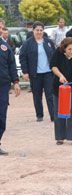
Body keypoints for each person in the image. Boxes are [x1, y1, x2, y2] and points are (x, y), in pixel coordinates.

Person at [20, 21, 55, 122]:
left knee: (50, 95)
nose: (39, 32)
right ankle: (39, 115)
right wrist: (25, 72)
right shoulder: (27, 43)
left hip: (48, 73)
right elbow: (23, 58)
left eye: (41, 30)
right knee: (37, 95)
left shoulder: (48, 42)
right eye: (37, 30)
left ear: (43, 31)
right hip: (35, 74)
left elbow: (54, 56)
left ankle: (53, 115)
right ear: (33, 30)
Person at [50, 37, 72, 146]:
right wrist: (60, 76)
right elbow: (53, 66)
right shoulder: (57, 53)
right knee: (59, 112)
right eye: (69, 49)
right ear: (64, 48)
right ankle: (60, 137)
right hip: (58, 87)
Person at [0, 22, 20, 155]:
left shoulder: (5, 47)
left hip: (3, 85)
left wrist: (16, 82)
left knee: (1, 116)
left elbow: (12, 65)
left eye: (1, 27)